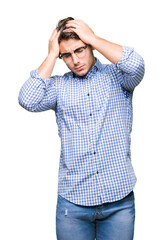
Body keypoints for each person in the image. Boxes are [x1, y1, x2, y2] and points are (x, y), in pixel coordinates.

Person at [18, 17, 145, 240]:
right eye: (66, 55)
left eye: (80, 49)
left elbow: (136, 65)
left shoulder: (118, 77)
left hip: (119, 202)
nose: (75, 60)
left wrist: (93, 38)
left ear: (90, 47)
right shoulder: (58, 87)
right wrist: (50, 54)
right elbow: (27, 99)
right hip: (73, 204)